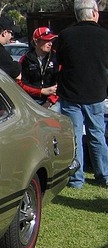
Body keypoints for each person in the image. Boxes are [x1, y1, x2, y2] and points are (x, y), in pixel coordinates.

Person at [56, 0, 108, 188]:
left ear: (77, 15)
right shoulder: (104, 36)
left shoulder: (65, 35)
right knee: (97, 135)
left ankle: (77, 179)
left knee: (75, 137)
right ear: (95, 13)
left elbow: (59, 62)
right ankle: (104, 175)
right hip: (95, 92)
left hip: (71, 93)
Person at [19, 27, 59, 109]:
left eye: (51, 40)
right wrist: (41, 91)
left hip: (53, 101)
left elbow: (61, 82)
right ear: (36, 41)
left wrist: (50, 101)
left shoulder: (56, 57)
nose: (50, 43)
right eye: (46, 40)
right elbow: (20, 83)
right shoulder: (26, 59)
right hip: (31, 100)